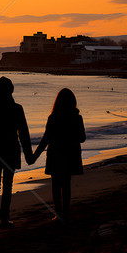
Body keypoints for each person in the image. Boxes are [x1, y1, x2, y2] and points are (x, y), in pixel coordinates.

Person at [0, 76, 33, 228]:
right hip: (11, 150)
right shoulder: (17, 109)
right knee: (7, 184)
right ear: (11, 91)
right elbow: (23, 133)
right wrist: (29, 155)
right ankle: (4, 217)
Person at [33, 88, 86, 223]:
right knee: (66, 184)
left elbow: (46, 138)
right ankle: (66, 213)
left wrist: (35, 155)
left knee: (56, 185)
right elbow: (82, 138)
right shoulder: (77, 117)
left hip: (55, 153)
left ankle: (58, 213)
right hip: (70, 154)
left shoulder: (53, 117)